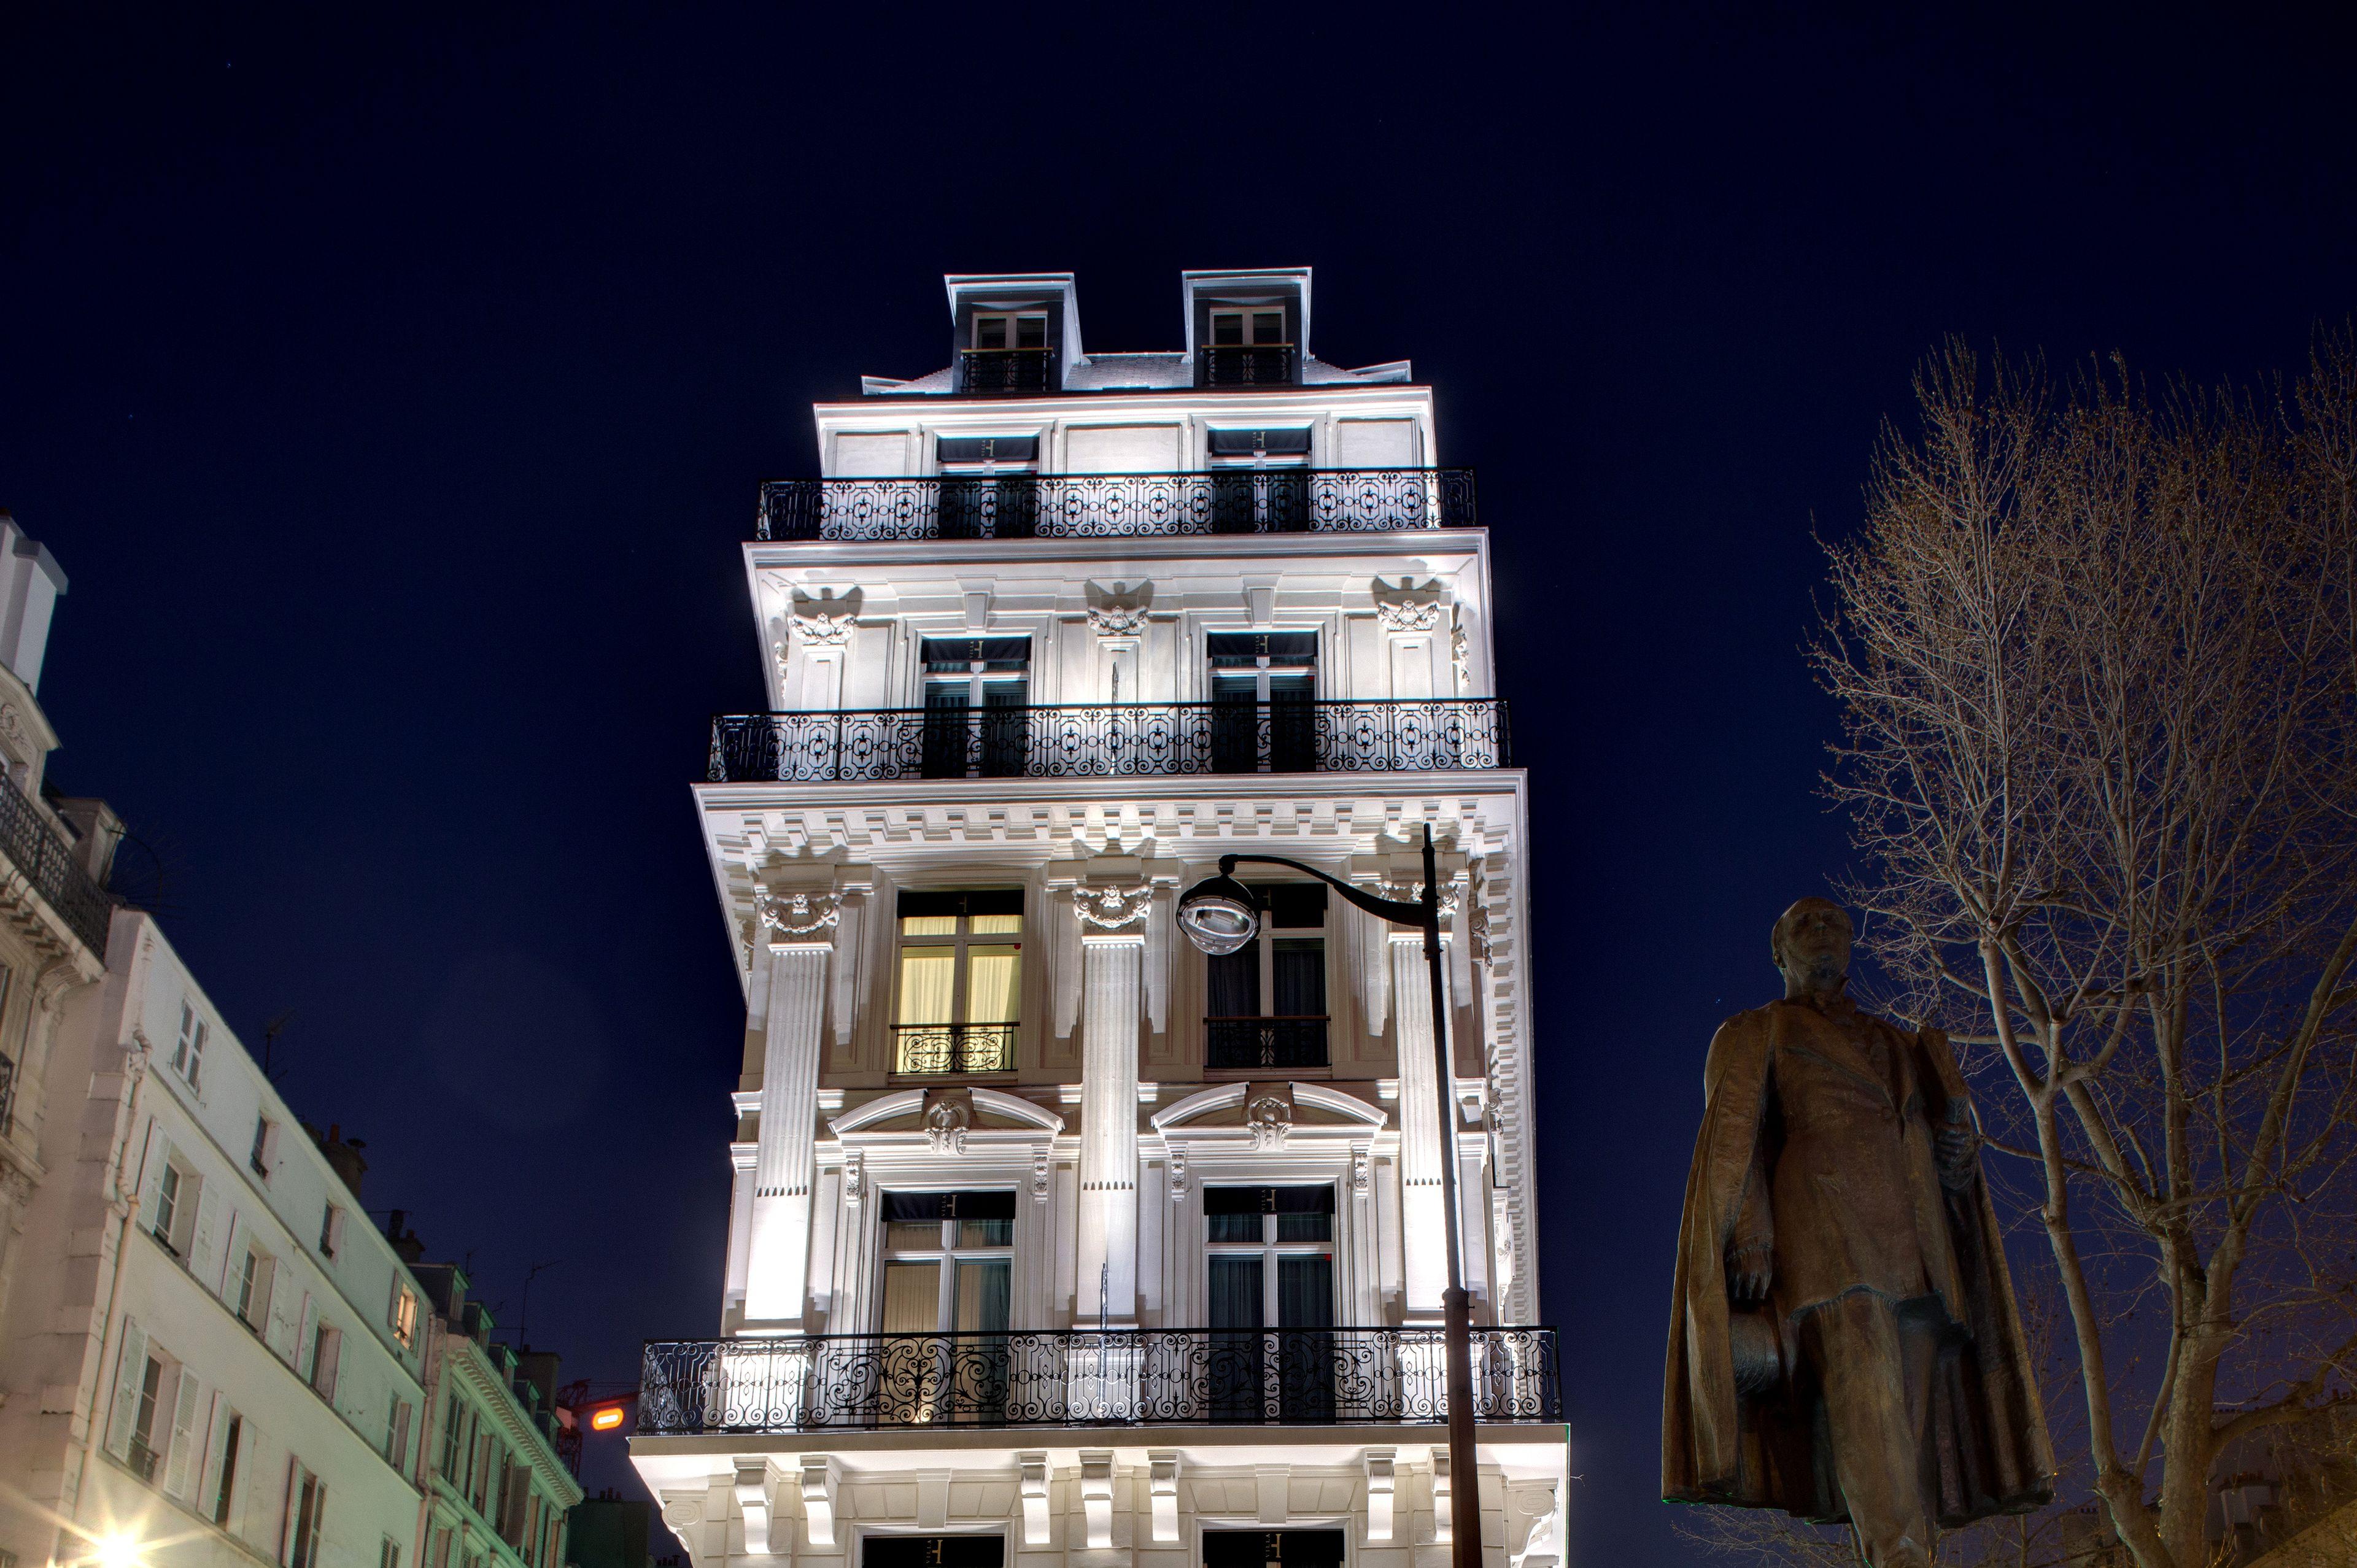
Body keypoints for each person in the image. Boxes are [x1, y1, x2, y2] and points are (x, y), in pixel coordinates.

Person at [1661, 898, 2051, 1567]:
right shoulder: (1758, 1029)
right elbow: (1733, 1137)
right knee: (1865, 1392)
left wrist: (1956, 1150)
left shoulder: (1899, 1042)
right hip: (1826, 1235)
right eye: (1805, 925)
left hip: (1915, 1246)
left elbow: (1938, 1154)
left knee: (1913, 1430)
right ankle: (1900, 1558)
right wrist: (1750, 1226)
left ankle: (1907, 1551)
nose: (1824, 934)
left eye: (1836, 924)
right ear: (1778, 950)